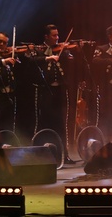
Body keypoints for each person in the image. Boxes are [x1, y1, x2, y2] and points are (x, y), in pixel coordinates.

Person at [29, 24, 76, 164]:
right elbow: (31, 61)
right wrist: (47, 58)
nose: (57, 38)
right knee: (44, 123)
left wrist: (67, 55)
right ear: (46, 37)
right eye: (54, 36)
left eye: (58, 35)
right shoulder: (38, 50)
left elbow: (70, 62)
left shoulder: (62, 50)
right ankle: (42, 155)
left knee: (62, 123)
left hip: (60, 91)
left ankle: (64, 155)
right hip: (45, 91)